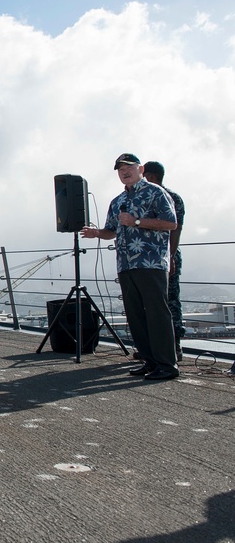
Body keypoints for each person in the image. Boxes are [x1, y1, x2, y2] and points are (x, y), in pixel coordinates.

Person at [81, 153, 178, 380]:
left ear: (140, 169)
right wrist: (97, 233)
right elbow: (111, 231)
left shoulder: (156, 193)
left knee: (156, 313)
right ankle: (150, 362)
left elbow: (170, 223)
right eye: (120, 169)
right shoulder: (117, 201)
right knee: (135, 315)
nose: (124, 172)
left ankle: (167, 365)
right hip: (126, 265)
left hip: (150, 262)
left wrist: (136, 221)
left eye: (129, 167)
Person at [142, 161, 185, 363]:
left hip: (165, 257)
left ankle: (174, 348)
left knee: (170, 303)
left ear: (151, 176)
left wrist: (171, 256)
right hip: (147, 259)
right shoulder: (144, 197)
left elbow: (175, 229)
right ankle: (154, 349)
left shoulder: (171, 198)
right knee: (151, 304)